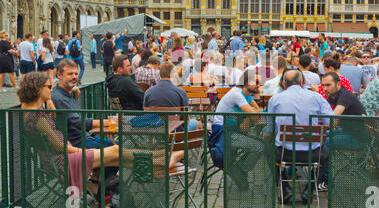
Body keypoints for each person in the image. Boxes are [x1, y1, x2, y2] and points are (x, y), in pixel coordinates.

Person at [19, 72, 184, 193]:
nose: (51, 89)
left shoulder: (29, 111)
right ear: (38, 89)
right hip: (65, 161)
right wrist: (84, 151)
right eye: (48, 87)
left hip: (58, 159)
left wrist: (47, 100)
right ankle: (161, 160)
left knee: (117, 155)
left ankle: (159, 161)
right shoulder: (38, 117)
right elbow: (59, 146)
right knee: (115, 151)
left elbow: (53, 118)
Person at [267, 70, 334, 202]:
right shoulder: (316, 97)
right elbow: (330, 121)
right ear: (302, 82)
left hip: (284, 153)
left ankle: (284, 187)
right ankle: (309, 189)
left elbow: (270, 129)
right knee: (326, 154)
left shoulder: (275, 99)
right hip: (313, 153)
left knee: (268, 151)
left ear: (284, 84)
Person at [208, 69, 264, 191]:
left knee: (259, 145)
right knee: (259, 146)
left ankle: (238, 168)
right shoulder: (237, 94)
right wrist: (252, 114)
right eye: (256, 81)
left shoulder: (246, 95)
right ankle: (238, 168)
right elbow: (255, 116)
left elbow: (256, 110)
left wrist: (251, 114)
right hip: (223, 133)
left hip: (233, 131)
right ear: (246, 82)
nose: (259, 84)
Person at [52, 59, 116, 150]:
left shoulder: (69, 91)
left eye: (76, 74)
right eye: (70, 74)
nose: (74, 77)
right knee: (120, 151)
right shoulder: (59, 98)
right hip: (77, 144)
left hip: (86, 137)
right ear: (59, 75)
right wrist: (107, 122)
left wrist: (74, 89)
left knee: (120, 147)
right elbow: (77, 122)